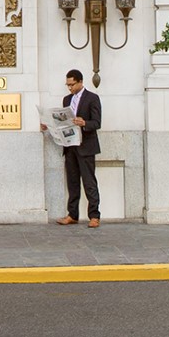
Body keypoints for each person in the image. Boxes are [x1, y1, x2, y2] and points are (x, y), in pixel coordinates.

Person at [49, 68, 102, 227]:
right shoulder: (67, 100)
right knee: (72, 182)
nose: (70, 88)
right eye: (68, 85)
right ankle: (72, 214)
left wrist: (84, 123)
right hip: (70, 146)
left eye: (72, 84)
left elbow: (97, 122)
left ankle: (94, 216)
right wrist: (50, 125)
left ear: (80, 82)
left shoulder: (92, 98)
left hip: (86, 146)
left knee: (89, 182)